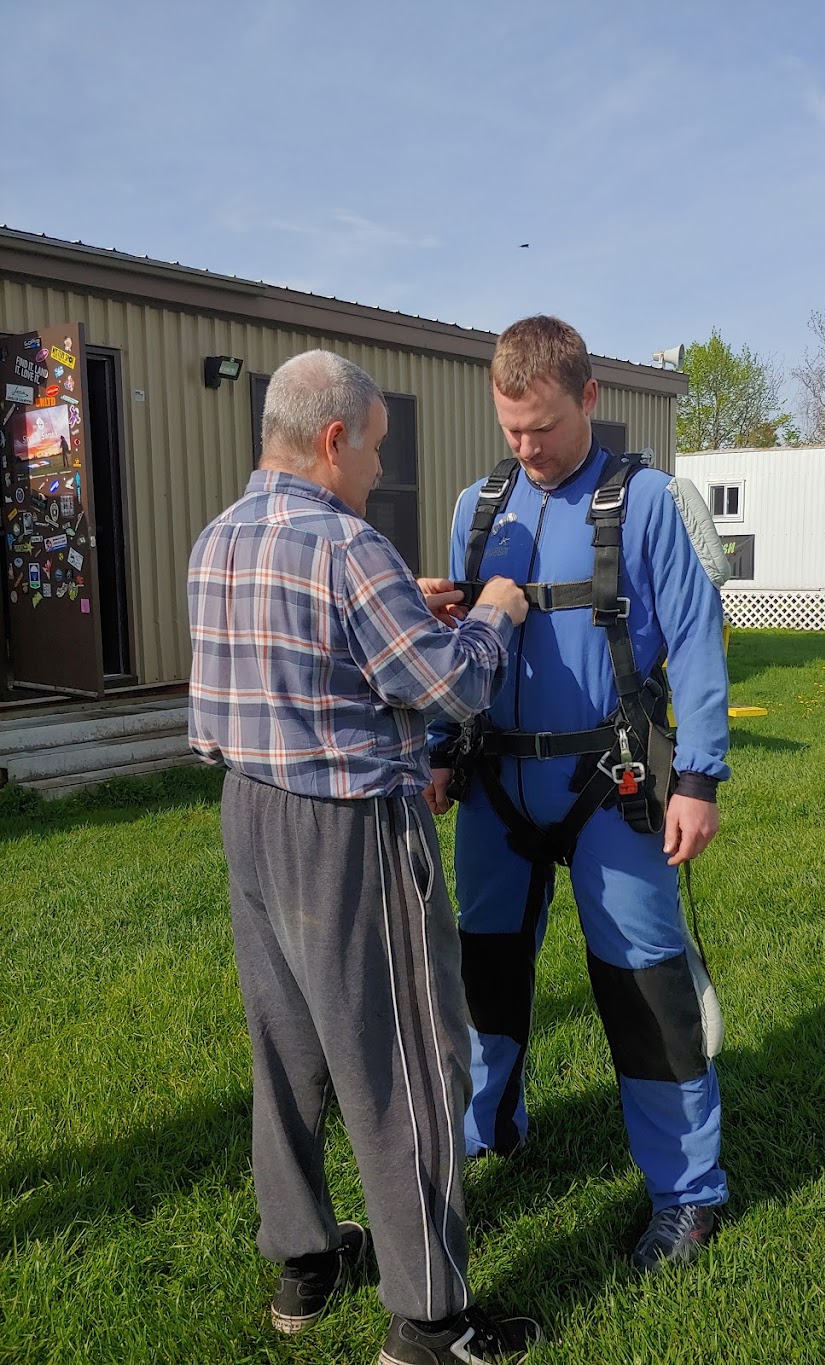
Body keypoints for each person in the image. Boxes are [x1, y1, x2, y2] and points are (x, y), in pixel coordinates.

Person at [187, 349, 541, 1365]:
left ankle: (304, 1258)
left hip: (248, 815)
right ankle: (432, 1320)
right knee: (408, 1065)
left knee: (286, 1049)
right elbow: (453, 689)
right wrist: (493, 612)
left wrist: (403, 603)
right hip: (347, 829)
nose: (379, 471)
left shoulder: (218, 538)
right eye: (376, 448)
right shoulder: (348, 548)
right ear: (335, 438)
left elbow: (315, 657)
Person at [427, 316, 731, 1274]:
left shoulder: (645, 504)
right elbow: (455, 651)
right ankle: (489, 1133)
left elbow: (698, 642)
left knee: (646, 987)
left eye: (544, 427)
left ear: (590, 399)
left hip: (616, 787)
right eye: (511, 429)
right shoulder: (479, 510)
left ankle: (689, 1195)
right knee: (484, 977)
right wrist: (440, 749)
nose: (526, 448)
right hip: (495, 786)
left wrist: (699, 778)